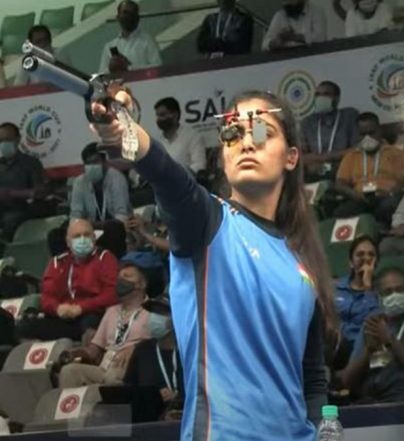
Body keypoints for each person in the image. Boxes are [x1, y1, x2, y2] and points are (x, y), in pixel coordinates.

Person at [90, 87, 337, 440]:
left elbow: (312, 377)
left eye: (262, 131)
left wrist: (327, 431)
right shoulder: (207, 222)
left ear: (292, 156)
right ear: (222, 155)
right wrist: (127, 131)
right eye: (232, 133)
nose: (246, 143)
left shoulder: (302, 262)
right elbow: (167, 176)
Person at [16, 219, 118, 342]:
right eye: (77, 236)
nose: (82, 239)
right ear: (68, 242)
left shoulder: (106, 258)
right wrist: (57, 308)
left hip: (93, 313)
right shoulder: (57, 262)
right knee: (25, 326)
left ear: (94, 238)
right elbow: (47, 297)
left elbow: (111, 294)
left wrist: (81, 307)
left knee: (91, 323)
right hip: (63, 316)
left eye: (87, 235)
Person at [338, 267, 404, 403]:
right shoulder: (373, 322)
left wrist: (389, 340)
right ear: (379, 296)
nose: (394, 295)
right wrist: (368, 351)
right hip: (371, 399)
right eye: (388, 292)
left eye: (399, 290)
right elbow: (347, 380)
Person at [58, 263, 150, 387]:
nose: (121, 281)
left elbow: (160, 343)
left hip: (131, 367)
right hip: (105, 367)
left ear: (141, 284)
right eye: (119, 278)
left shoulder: (152, 311)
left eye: (127, 276)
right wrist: (76, 353)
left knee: (113, 376)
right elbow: (94, 350)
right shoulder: (111, 311)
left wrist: (136, 348)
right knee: (69, 371)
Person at [333, 112, 404, 224]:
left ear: (380, 131)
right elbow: (340, 184)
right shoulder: (351, 156)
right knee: (341, 213)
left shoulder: (395, 153)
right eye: (362, 134)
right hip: (360, 198)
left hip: (387, 197)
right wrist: (356, 195)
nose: (367, 138)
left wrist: (391, 193)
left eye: (371, 133)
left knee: (388, 207)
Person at [123, 295, 184, 416]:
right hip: (149, 422)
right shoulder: (142, 350)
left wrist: (178, 397)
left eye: (161, 313)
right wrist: (153, 397)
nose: (154, 318)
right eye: (152, 312)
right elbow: (129, 389)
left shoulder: (189, 351)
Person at [70, 143, 131, 258]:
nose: (92, 166)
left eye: (95, 162)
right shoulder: (79, 182)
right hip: (90, 231)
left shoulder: (117, 178)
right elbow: (75, 215)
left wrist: (98, 225)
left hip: (115, 230)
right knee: (58, 233)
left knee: (113, 227)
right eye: (88, 163)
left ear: (104, 162)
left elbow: (121, 216)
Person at [333, 236, 380, 370]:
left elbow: (375, 322)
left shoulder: (380, 291)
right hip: (332, 345)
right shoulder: (336, 287)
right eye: (360, 254)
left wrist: (367, 286)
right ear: (351, 263)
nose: (366, 258)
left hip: (360, 352)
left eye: (371, 254)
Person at [300, 81, 359, 181]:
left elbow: (357, 150)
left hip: (344, 169)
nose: (321, 98)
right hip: (314, 172)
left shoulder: (349, 116)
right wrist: (327, 158)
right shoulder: (307, 122)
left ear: (337, 98)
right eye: (317, 95)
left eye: (326, 94)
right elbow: (301, 157)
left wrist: (324, 157)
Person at [0, 122, 45, 241]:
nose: (3, 144)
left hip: (23, 209)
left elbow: (40, 192)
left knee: (10, 219)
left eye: (8, 139)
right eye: (1, 140)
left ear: (18, 139)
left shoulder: (30, 163)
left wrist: (12, 193)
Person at [98, 0, 162, 74]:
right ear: (118, 17)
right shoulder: (109, 46)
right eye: (125, 12)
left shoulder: (148, 41)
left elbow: (158, 68)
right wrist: (112, 68)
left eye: (131, 13)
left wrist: (129, 68)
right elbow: (102, 76)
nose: (128, 17)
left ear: (138, 18)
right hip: (118, 85)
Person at [154, 97, 207, 176]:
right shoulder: (156, 141)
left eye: (162, 115)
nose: (159, 119)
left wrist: (178, 176)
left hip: (186, 185)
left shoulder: (192, 136)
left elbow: (199, 165)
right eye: (157, 116)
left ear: (175, 115)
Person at [262, 0, 327, 51]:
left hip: (312, 55)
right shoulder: (280, 15)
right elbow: (264, 44)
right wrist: (276, 42)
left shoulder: (316, 11)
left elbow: (320, 38)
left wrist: (294, 37)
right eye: (287, 4)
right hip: (286, 58)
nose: (289, 8)